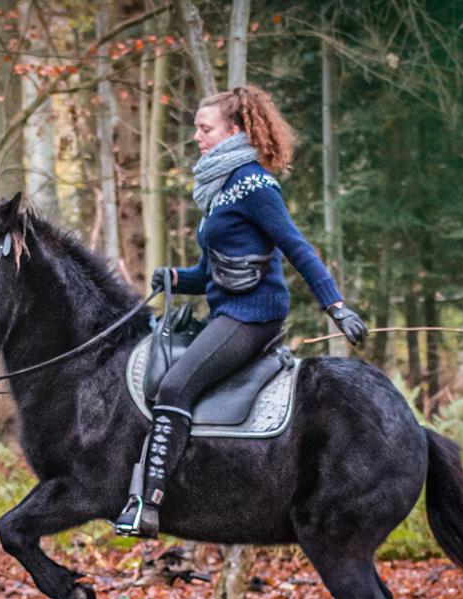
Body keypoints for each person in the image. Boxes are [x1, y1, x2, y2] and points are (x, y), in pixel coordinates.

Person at [115, 84, 368, 537]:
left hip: (253, 317)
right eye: (196, 127)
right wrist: (176, 279)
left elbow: (296, 246)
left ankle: (146, 504)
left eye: (204, 128)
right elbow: (213, 271)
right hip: (228, 311)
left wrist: (336, 305)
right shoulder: (217, 188)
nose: (196, 136)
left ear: (234, 131)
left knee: (175, 386)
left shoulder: (253, 184)